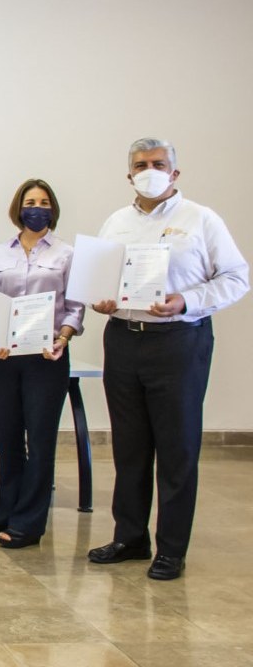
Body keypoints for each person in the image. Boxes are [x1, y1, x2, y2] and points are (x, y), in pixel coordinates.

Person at [86, 138, 248, 580]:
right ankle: (130, 537)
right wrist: (100, 300)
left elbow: (237, 278)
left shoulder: (201, 219)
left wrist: (186, 301)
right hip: (124, 339)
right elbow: (99, 279)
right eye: (141, 165)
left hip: (178, 341)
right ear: (129, 175)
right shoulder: (116, 223)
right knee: (129, 446)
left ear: (174, 173)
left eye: (158, 164)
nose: (149, 171)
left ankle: (172, 548)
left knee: (177, 448)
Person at [0, 179, 83, 549]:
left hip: (46, 357)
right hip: (6, 356)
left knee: (39, 439)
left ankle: (29, 522)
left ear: (52, 209)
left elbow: (75, 306)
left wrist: (63, 338)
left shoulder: (67, 254)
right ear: (18, 208)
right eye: (30, 202)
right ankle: (4, 512)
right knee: (7, 438)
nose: (36, 208)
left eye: (43, 202)